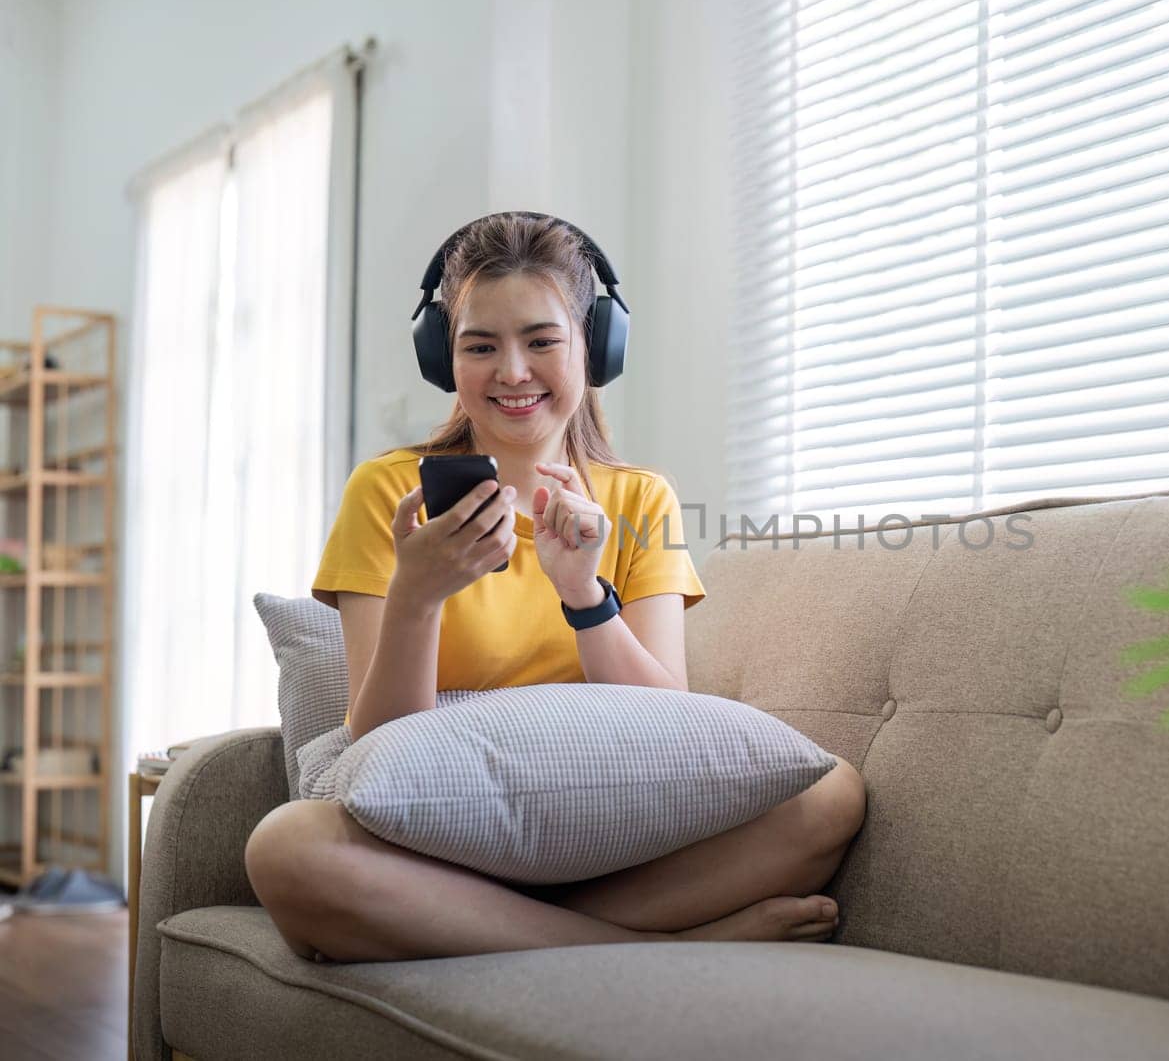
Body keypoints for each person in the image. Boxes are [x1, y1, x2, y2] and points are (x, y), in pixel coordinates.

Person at [244, 212, 865, 963]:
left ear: (595, 347)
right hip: (438, 849)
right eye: (480, 345)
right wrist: (417, 596)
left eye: (542, 341)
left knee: (832, 794)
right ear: (445, 359)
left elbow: (667, 726)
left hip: (615, 845)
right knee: (285, 848)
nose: (512, 371)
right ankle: (646, 948)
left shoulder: (641, 501)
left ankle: (523, 932)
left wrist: (585, 597)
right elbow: (379, 744)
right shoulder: (387, 492)